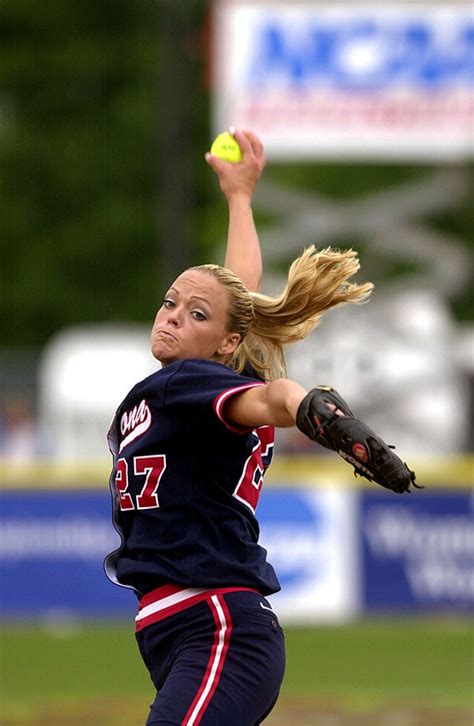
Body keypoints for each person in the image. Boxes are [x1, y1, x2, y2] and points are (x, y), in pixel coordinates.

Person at [104, 130, 373, 726]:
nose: (173, 317)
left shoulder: (185, 385)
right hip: (192, 631)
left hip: (215, 624)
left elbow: (275, 397)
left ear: (224, 342)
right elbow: (237, 295)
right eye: (170, 303)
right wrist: (240, 197)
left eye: (193, 315)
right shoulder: (207, 380)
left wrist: (315, 412)